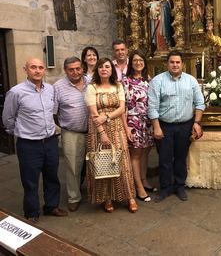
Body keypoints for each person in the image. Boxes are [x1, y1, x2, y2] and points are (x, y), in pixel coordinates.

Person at [2, 58, 67, 222]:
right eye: (33, 67)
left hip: (50, 141)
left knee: (52, 177)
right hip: (29, 145)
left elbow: (53, 112)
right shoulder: (16, 92)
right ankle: (32, 213)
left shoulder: (50, 89)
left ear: (44, 70)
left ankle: (51, 206)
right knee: (30, 181)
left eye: (40, 67)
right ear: (26, 70)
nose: (37, 71)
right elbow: (8, 119)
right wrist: (21, 132)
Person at [148, 50, 205, 203]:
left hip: (185, 125)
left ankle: (180, 186)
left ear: (182, 64)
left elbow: (200, 103)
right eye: (172, 62)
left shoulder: (191, 81)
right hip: (164, 126)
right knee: (165, 159)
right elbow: (152, 106)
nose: (175, 65)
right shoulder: (157, 81)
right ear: (167, 64)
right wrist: (157, 127)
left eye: (177, 62)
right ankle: (165, 187)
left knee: (181, 157)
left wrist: (197, 123)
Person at [85, 57, 137, 213]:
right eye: (100, 67)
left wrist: (124, 127)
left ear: (111, 70)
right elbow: (94, 114)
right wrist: (102, 133)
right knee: (104, 162)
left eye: (107, 66)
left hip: (117, 128)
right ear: (97, 70)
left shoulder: (118, 86)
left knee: (123, 162)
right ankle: (107, 198)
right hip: (98, 129)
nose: (104, 69)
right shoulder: (92, 88)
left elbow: (122, 109)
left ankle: (130, 197)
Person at [53, 57, 89, 212]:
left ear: (82, 68)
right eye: (71, 69)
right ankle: (74, 197)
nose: (75, 72)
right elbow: (54, 113)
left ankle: (98, 193)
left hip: (94, 132)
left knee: (97, 163)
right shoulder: (58, 87)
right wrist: (65, 126)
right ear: (65, 70)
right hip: (72, 133)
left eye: (78, 68)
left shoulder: (91, 81)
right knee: (73, 166)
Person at [122, 50, 154, 202]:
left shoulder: (149, 80)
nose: (138, 62)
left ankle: (144, 179)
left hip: (147, 121)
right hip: (133, 121)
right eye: (135, 60)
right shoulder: (125, 81)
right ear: (131, 63)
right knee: (136, 154)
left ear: (144, 62)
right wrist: (126, 126)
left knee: (146, 151)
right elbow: (123, 107)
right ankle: (138, 187)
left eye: (141, 60)